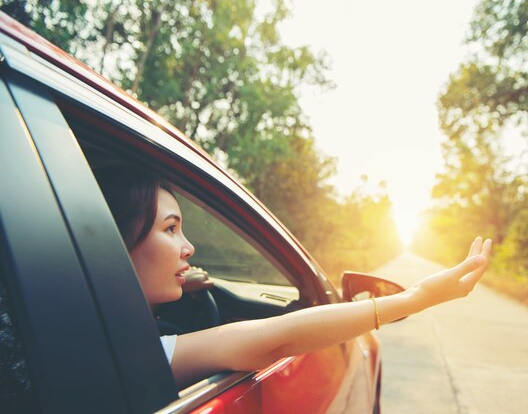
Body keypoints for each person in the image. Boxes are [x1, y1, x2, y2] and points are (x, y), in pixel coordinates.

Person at [95, 166, 492, 388]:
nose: (189, 248)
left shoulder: (80, 334)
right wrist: (418, 297)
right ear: (118, 243)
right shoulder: (129, 352)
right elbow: (280, 338)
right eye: (170, 229)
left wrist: (187, 287)